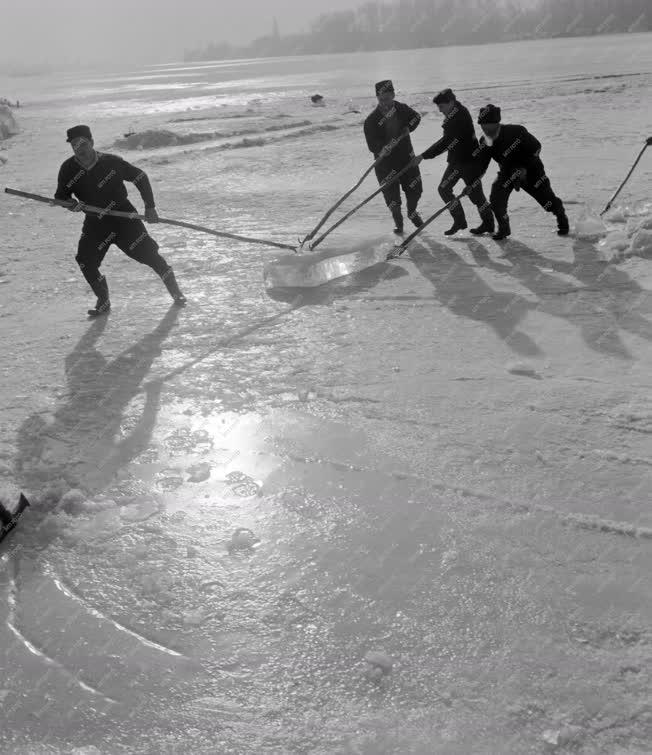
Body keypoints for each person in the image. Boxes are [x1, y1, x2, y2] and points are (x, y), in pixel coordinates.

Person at [54, 124, 186, 316]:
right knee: (85, 260)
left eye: (82, 143)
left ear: (91, 142)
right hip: (95, 222)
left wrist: (149, 207)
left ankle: (176, 293)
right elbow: (60, 196)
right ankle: (103, 300)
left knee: (150, 255)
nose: (78, 148)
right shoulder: (68, 168)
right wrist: (70, 203)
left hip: (125, 219)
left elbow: (139, 177)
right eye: (74, 145)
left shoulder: (111, 162)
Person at [475, 104, 569, 241]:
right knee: (496, 199)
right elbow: (482, 164)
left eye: (488, 125)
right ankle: (504, 228)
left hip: (532, 171)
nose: (485, 129)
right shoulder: (485, 141)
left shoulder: (516, 131)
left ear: (497, 123)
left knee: (548, 202)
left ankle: (561, 217)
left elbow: (536, 147)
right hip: (507, 172)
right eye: (482, 125)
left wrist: (524, 167)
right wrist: (473, 182)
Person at [413, 88, 494, 236]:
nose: (440, 110)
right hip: (456, 161)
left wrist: (423, 156)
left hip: (469, 161)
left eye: (442, 107)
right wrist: (424, 155)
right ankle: (460, 221)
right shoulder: (454, 112)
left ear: (451, 102)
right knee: (444, 189)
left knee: (476, 196)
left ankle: (488, 222)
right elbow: (447, 141)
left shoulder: (459, 116)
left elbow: (445, 142)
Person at [363, 80, 424, 235]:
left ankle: (412, 212)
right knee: (392, 198)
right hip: (385, 163)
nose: (384, 102)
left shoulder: (402, 109)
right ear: (377, 98)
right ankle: (399, 223)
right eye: (381, 99)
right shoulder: (371, 120)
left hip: (406, 158)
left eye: (387, 98)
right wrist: (382, 148)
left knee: (415, 189)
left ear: (393, 95)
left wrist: (408, 128)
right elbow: (371, 144)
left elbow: (416, 117)